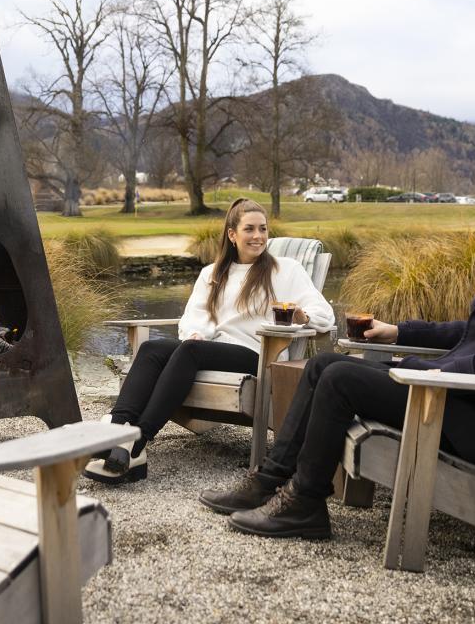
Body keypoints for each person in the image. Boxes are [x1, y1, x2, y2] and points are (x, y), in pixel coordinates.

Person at [198, 176, 475, 539]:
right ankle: (271, 482)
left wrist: (440, 369)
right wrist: (401, 332)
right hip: (461, 396)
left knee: (339, 379)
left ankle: (305, 504)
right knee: (322, 365)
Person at [86, 198, 334, 484]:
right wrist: (195, 333)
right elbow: (194, 316)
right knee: (153, 348)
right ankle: (118, 430)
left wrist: (302, 316)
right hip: (212, 350)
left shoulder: (285, 269)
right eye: (249, 229)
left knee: (191, 351)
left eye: (263, 229)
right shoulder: (213, 273)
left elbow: (324, 314)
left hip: (258, 353)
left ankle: (138, 443)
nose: (258, 236)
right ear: (232, 234)